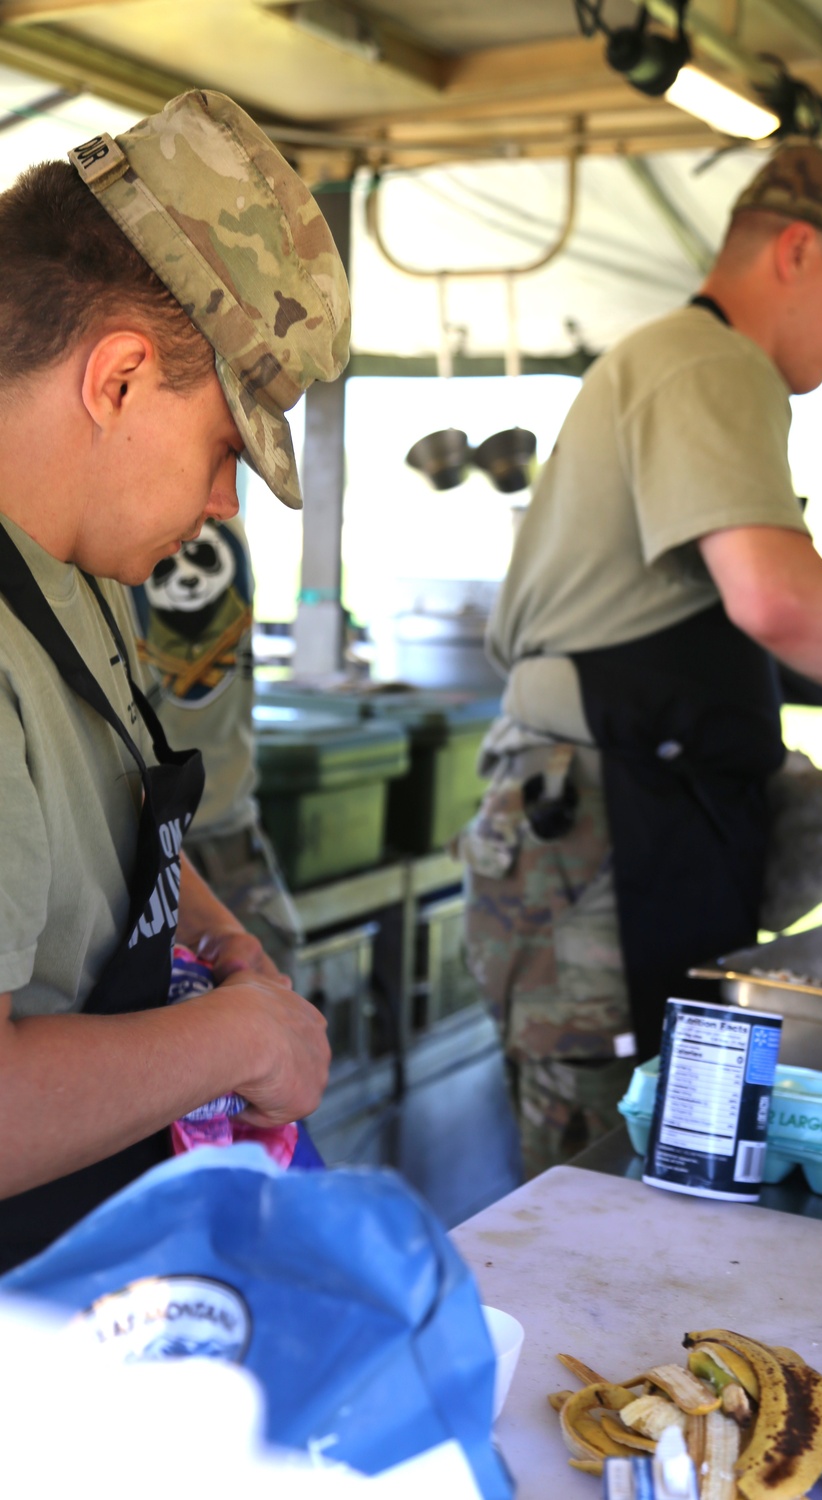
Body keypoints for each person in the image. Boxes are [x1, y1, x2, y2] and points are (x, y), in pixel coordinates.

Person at [462, 141, 822, 1177]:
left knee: (666, 1154)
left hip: (641, 818)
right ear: (796, 250)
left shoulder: (696, 370)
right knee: (601, 1168)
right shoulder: (707, 360)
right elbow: (777, 599)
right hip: (596, 837)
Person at [0, 89, 350, 1270]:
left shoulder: (68, 559)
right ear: (118, 380)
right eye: (222, 452)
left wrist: (215, 932)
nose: (222, 506)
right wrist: (233, 1041)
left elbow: (100, 805)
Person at [129, 515, 304, 969]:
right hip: (146, 839)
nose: (226, 492)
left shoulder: (210, 508)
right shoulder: (218, 515)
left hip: (208, 831)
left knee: (269, 1006)